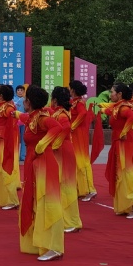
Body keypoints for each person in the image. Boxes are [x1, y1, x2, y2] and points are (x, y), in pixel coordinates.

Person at [15, 85, 64, 261]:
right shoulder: (33, 117)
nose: (23, 101)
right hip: (33, 164)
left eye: (25, 98)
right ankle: (39, 242)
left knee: (47, 203)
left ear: (29, 101)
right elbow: (23, 117)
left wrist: (42, 145)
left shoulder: (42, 118)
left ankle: (53, 246)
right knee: (35, 201)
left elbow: (57, 127)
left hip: (44, 164)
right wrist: (12, 113)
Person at [100, 83, 133, 219]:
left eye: (112, 92)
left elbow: (132, 117)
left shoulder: (123, 107)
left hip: (125, 143)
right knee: (121, 174)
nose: (110, 94)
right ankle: (125, 205)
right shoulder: (118, 107)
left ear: (119, 94)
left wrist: (124, 132)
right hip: (119, 142)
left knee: (127, 173)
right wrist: (101, 109)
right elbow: (111, 112)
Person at [50, 86, 82, 232]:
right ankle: (64, 218)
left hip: (63, 149)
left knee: (66, 185)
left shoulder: (62, 114)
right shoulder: (58, 112)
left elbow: (67, 128)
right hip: (61, 149)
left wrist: (56, 144)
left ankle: (72, 222)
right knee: (60, 183)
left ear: (55, 100)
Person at [69, 80, 96, 201]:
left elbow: (83, 113)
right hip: (75, 134)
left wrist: (73, 126)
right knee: (76, 161)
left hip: (79, 134)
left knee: (82, 162)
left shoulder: (79, 102)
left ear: (73, 90)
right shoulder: (74, 102)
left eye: (70, 88)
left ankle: (89, 189)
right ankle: (80, 188)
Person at [14, 85, 27, 161]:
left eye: (21, 90)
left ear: (24, 92)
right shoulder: (13, 100)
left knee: (23, 139)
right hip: (15, 122)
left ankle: (22, 156)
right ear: (16, 92)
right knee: (15, 139)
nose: (20, 91)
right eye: (18, 90)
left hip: (23, 122)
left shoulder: (26, 100)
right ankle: (15, 155)